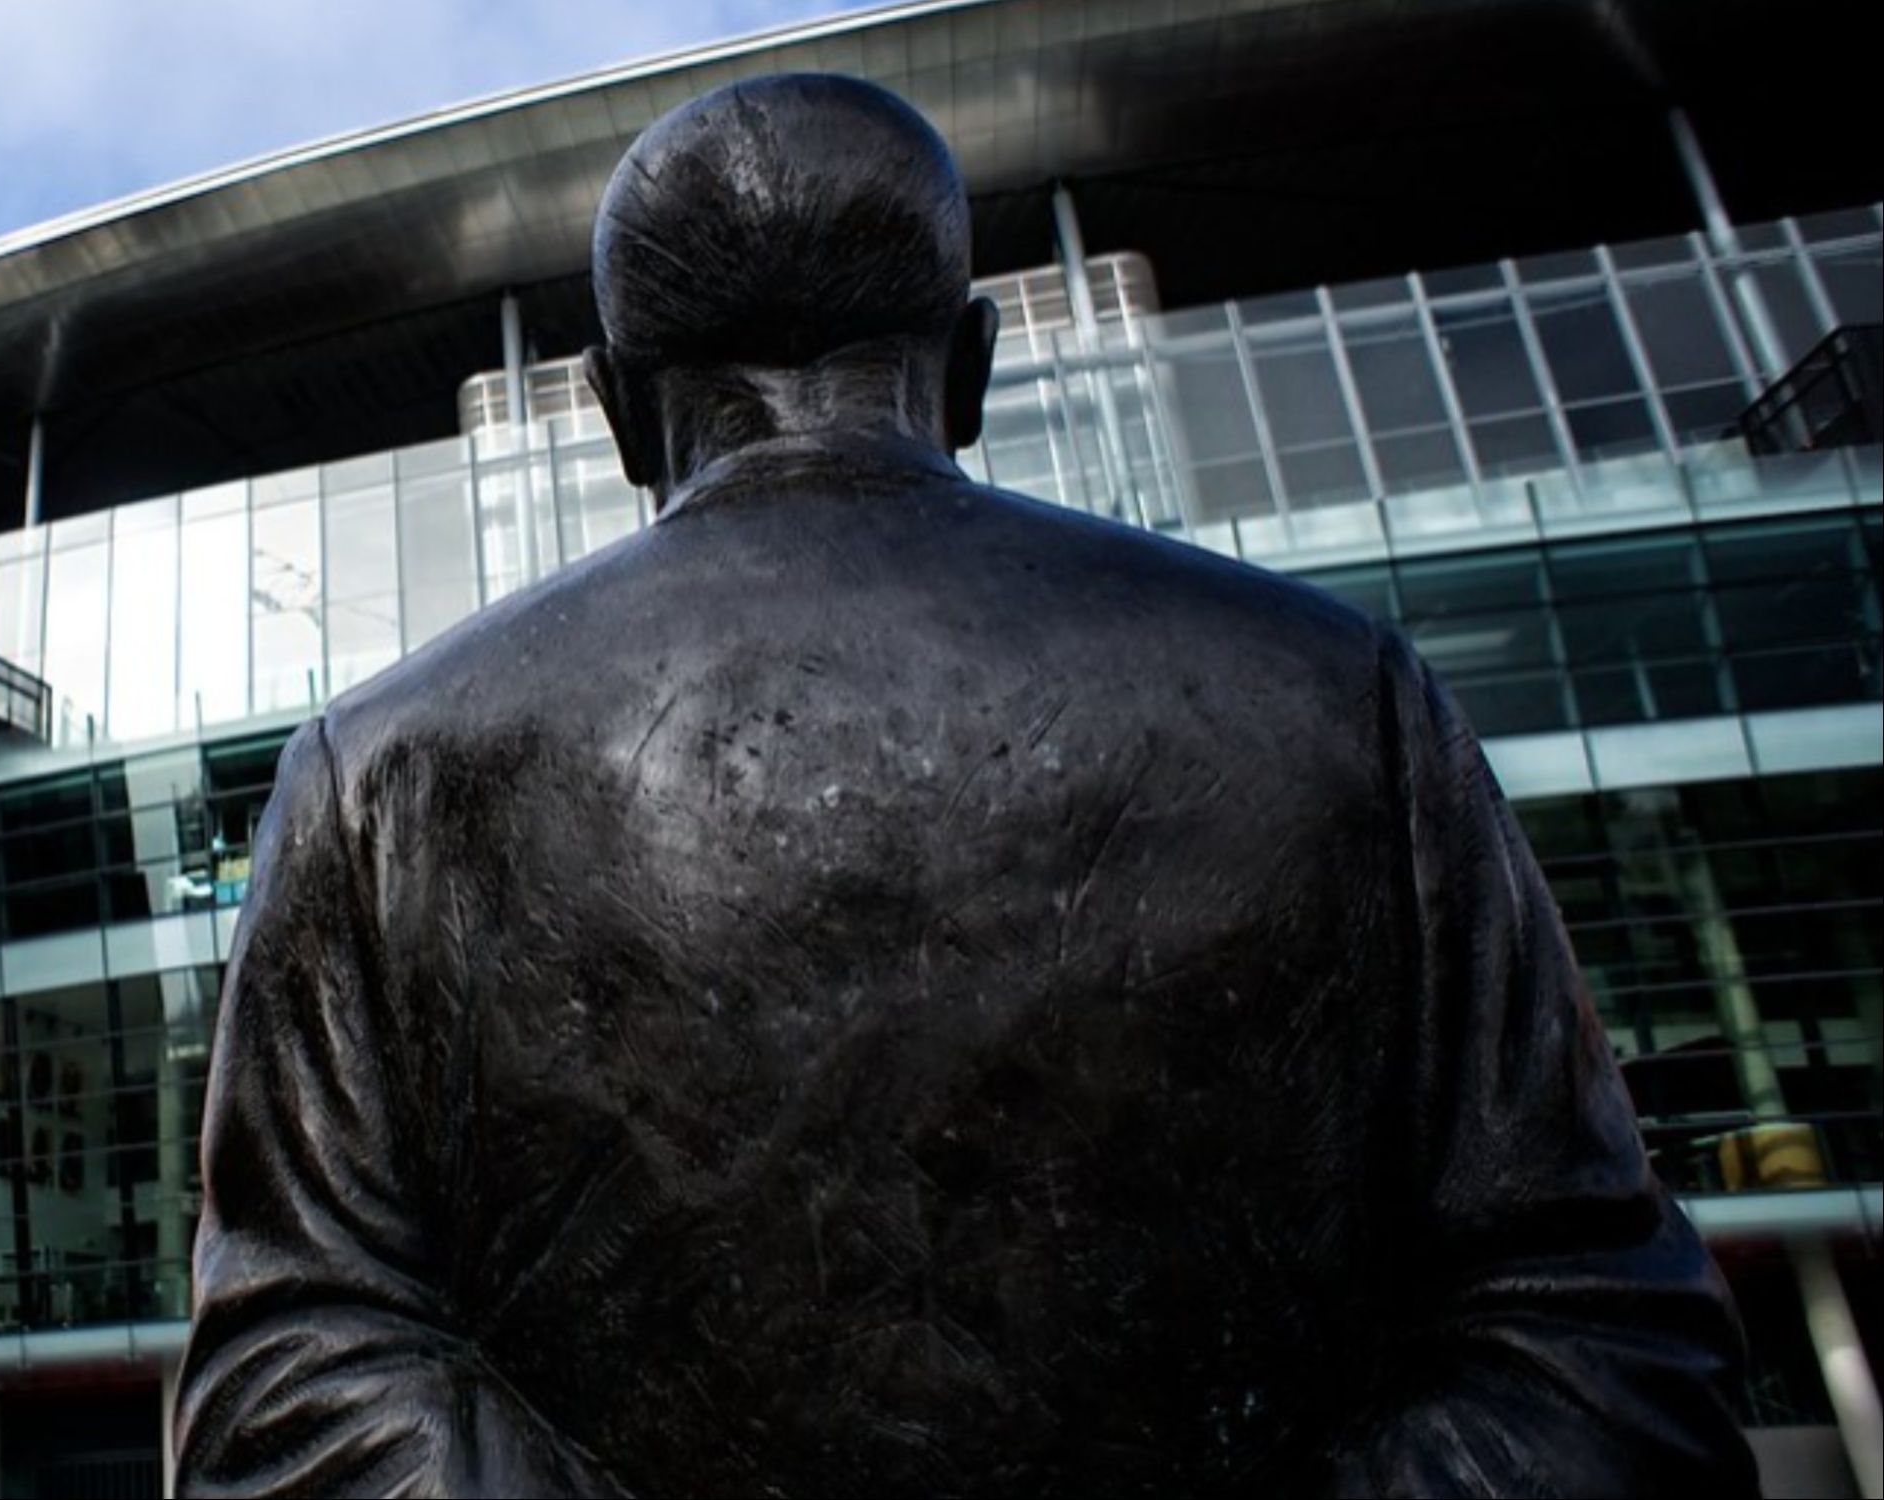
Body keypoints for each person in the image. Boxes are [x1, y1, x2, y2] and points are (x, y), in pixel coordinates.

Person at [175, 75, 1753, 1497]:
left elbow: (283, 1394)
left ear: (609, 404)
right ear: (977, 363)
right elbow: (1607, 1351)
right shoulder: (1346, 698)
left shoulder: (380, 769)